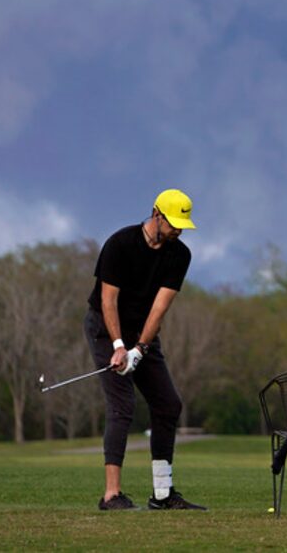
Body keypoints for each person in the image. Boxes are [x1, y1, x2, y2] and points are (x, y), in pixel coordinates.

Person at [85, 188, 207, 511]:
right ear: (156, 215)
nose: (179, 230)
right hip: (104, 328)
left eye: (183, 224)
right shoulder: (119, 245)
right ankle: (112, 495)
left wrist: (140, 348)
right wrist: (118, 346)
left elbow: (159, 309)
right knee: (123, 404)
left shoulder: (180, 255)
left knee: (169, 404)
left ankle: (163, 494)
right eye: (174, 223)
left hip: (142, 332)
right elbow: (107, 300)